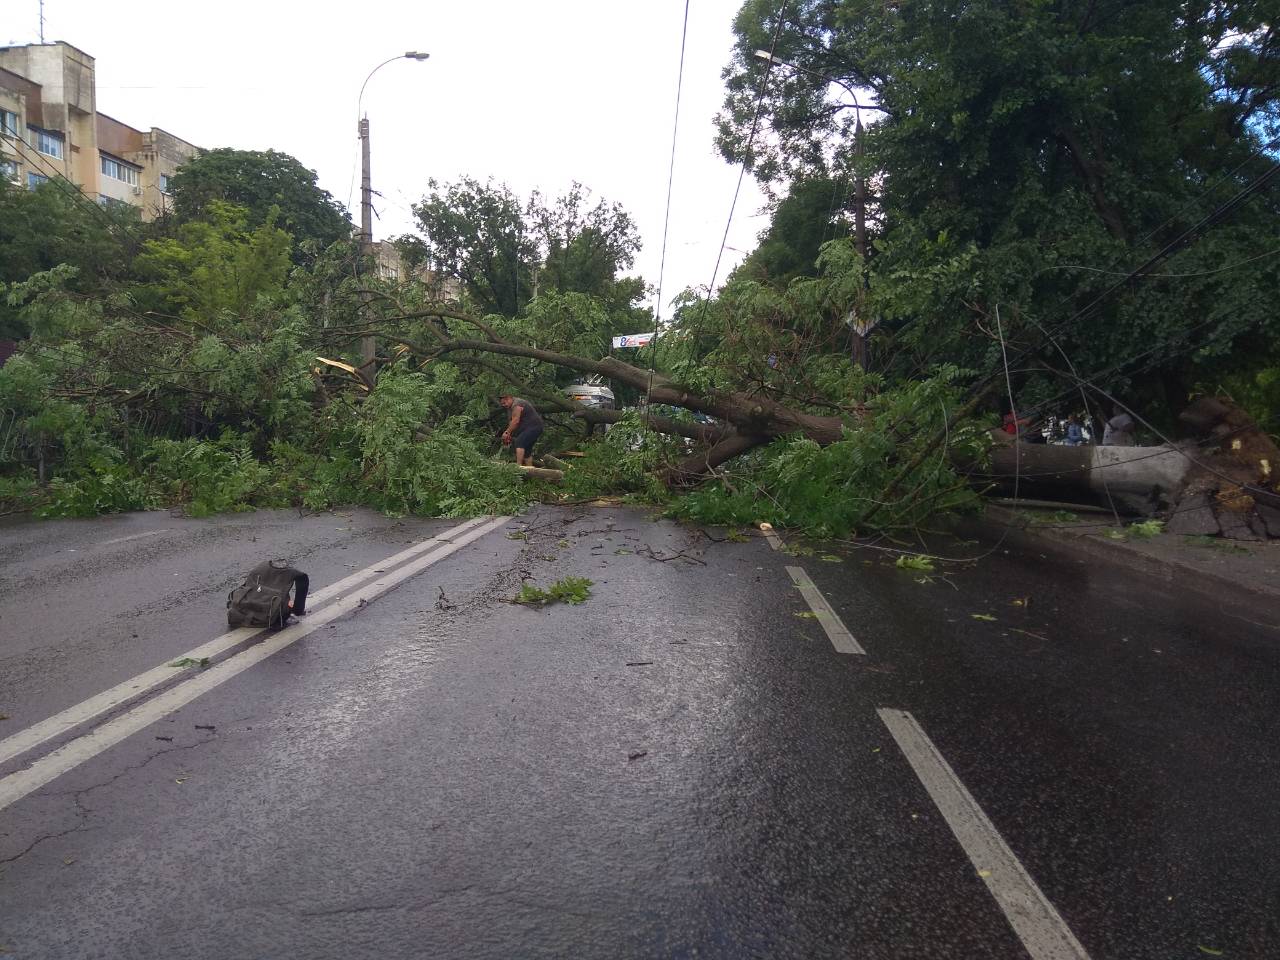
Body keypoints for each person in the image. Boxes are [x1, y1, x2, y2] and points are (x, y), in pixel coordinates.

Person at [500, 394, 544, 467]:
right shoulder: (510, 408)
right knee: (527, 451)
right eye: (502, 404)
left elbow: (516, 421)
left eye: (504, 403)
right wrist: (509, 434)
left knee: (519, 442)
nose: (503, 405)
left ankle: (518, 467)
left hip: (534, 427)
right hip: (531, 428)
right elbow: (511, 423)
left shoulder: (517, 404)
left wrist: (507, 432)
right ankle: (530, 470)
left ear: (509, 399)